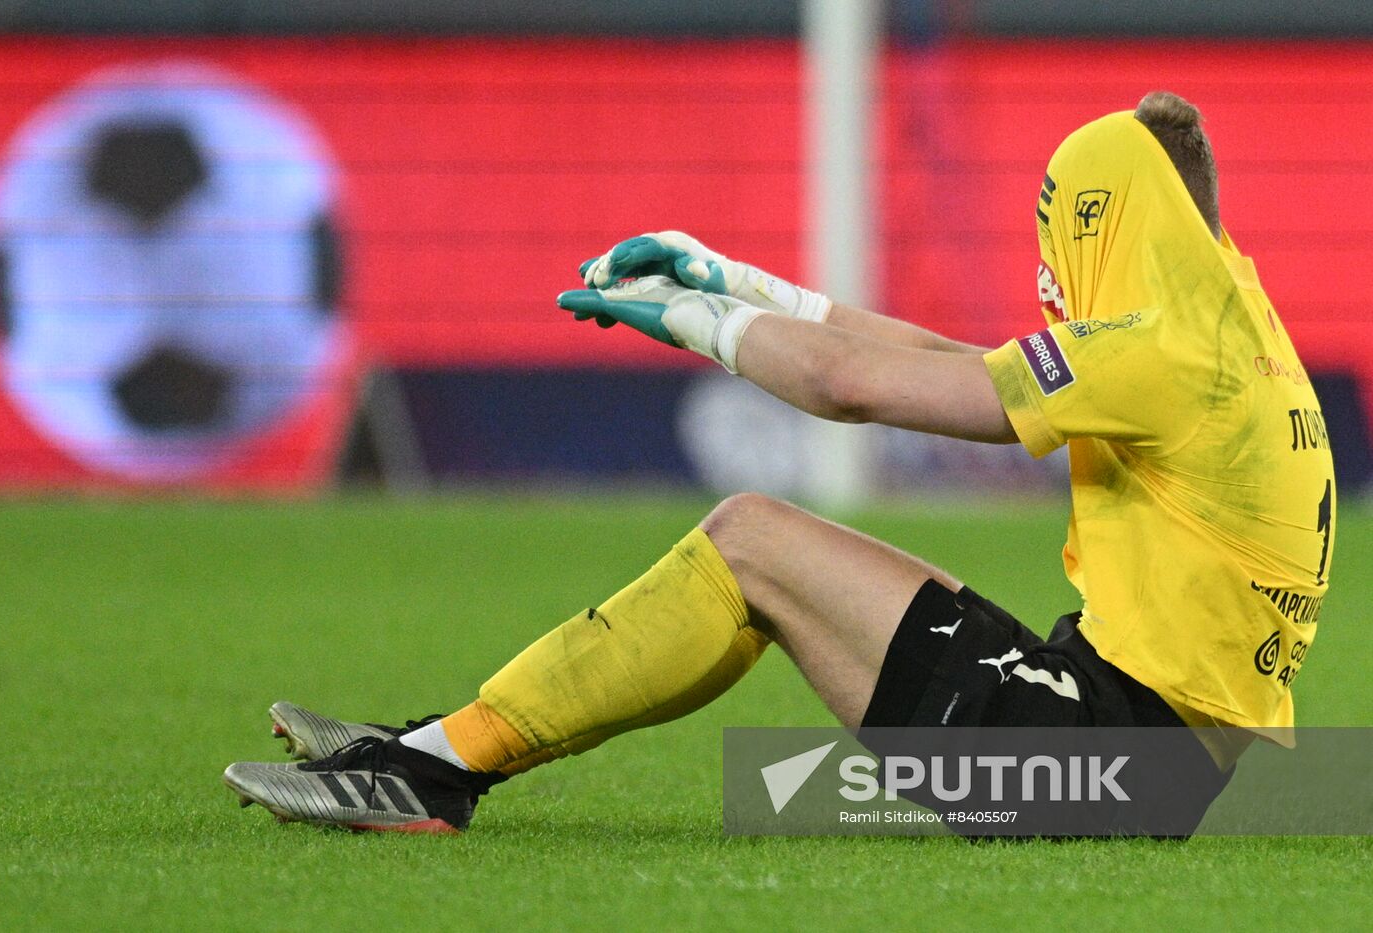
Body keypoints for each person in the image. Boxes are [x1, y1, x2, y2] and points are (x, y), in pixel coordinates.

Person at [223, 92, 1336, 835]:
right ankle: (436, 747)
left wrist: (690, 321)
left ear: (1104, 218)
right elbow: (960, 362)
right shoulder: (1228, 333)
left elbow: (854, 390)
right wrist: (742, 283)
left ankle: (431, 770)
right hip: (1147, 754)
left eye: (1063, 225)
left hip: (1112, 767)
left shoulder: (1164, 351)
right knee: (762, 564)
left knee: (751, 540)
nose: (1054, 259)